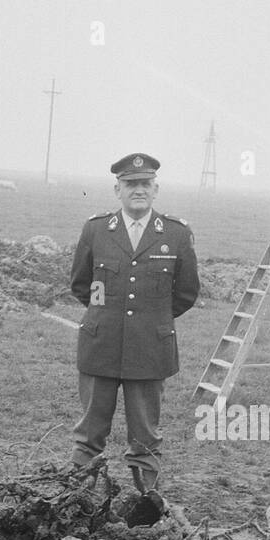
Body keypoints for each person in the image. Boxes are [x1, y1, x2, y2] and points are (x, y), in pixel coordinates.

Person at [69, 153, 200, 501]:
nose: (138, 190)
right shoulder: (96, 230)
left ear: (156, 189)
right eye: (130, 184)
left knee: (145, 438)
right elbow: (83, 284)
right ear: (117, 189)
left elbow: (186, 292)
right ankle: (75, 505)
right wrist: (105, 314)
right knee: (89, 434)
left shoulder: (175, 233)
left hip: (149, 349)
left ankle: (148, 509)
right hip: (101, 346)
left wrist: (151, 318)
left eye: (145, 184)